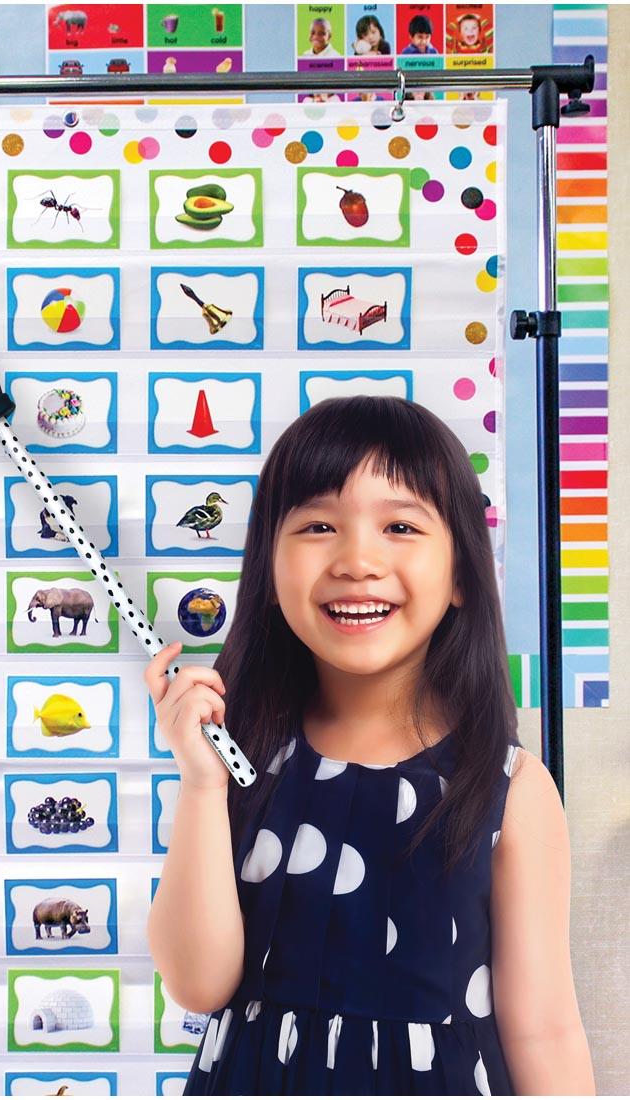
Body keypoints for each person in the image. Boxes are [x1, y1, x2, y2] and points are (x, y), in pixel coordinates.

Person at [146, 396, 596, 1094]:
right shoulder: (238, 763)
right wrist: (200, 785)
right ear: (267, 569)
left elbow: (543, 1027)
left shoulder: (509, 787)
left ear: (459, 576)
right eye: (319, 525)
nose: (358, 560)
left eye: (401, 526)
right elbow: (199, 986)